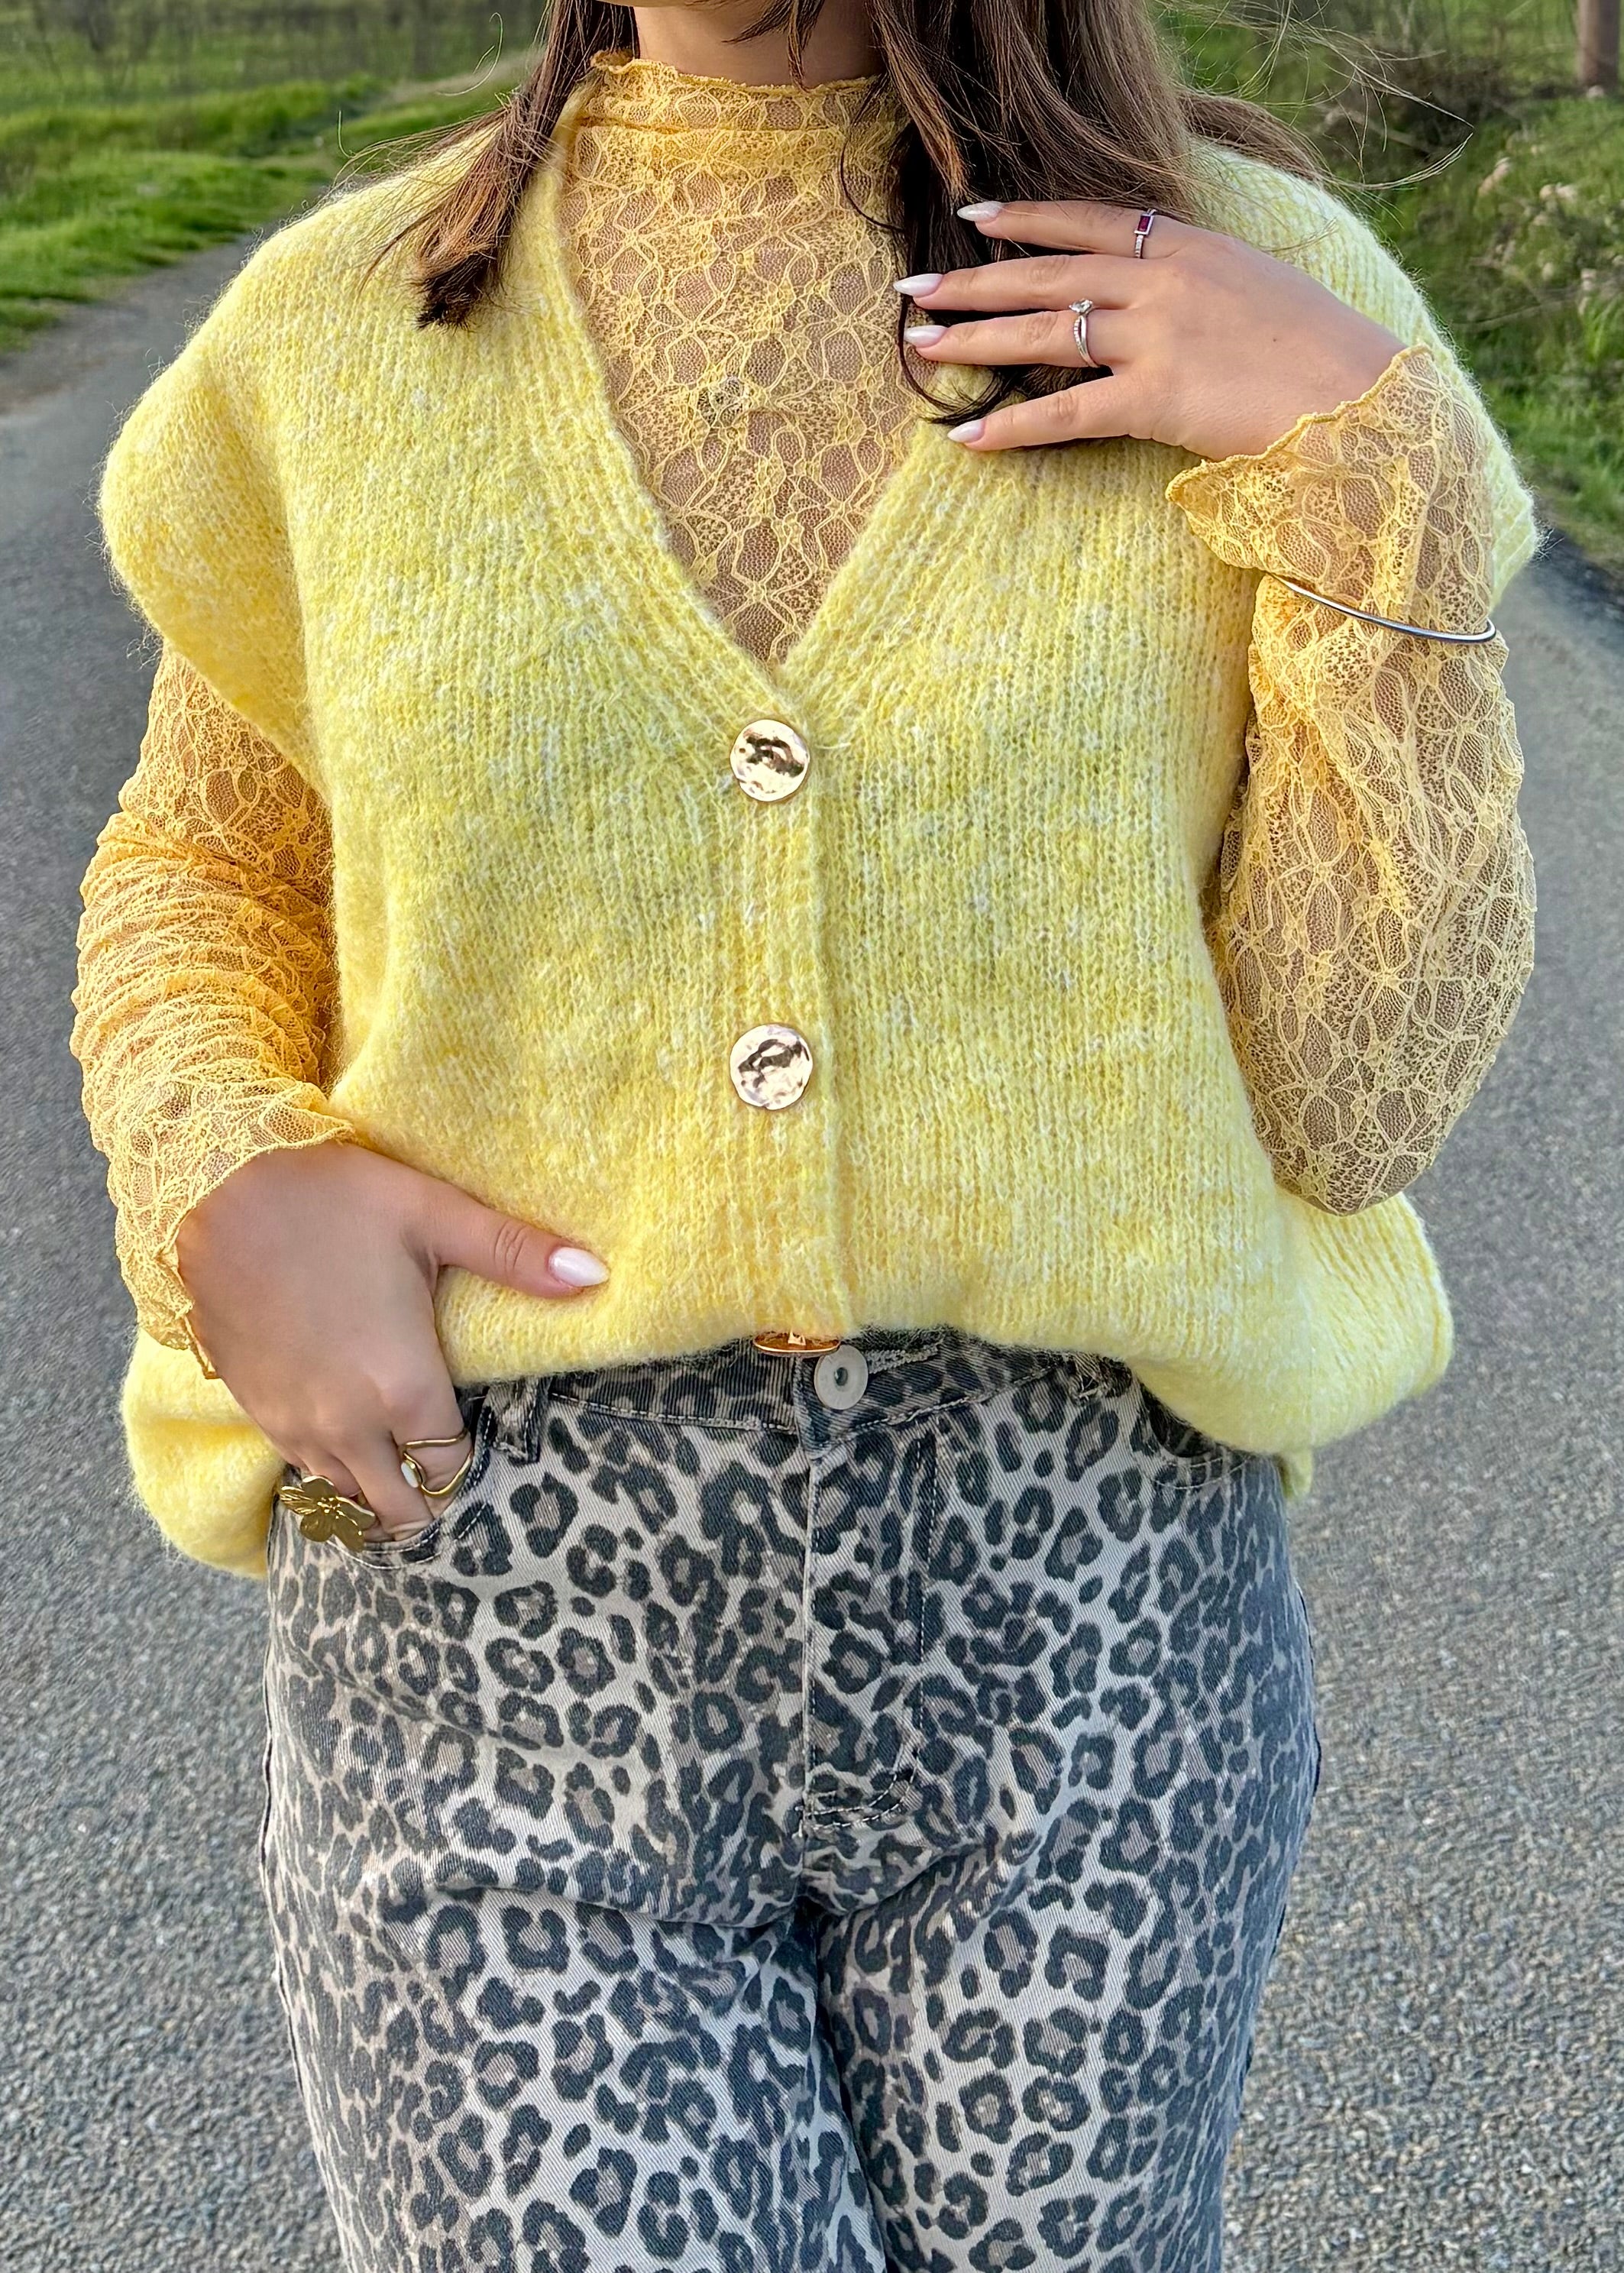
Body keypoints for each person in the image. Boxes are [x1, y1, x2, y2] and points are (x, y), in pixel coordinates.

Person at [72, 0, 1538, 2263]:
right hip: (503, 1626)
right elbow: (208, 866)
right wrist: (219, 1169)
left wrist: (1379, 474)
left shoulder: (1255, 293)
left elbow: (1346, 1110)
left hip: (1091, 1632)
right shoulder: (339, 335)